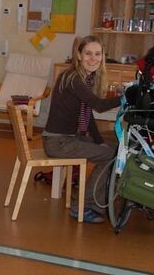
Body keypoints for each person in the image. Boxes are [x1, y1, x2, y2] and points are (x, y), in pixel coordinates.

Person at [42, 35, 121, 223]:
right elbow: (99, 106)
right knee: (111, 156)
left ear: (102, 57)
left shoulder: (83, 77)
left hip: (66, 138)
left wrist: (99, 140)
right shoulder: (73, 78)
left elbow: (88, 113)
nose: (93, 58)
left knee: (114, 148)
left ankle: (101, 199)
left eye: (97, 54)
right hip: (58, 142)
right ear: (79, 55)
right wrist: (128, 98)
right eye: (88, 53)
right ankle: (83, 206)